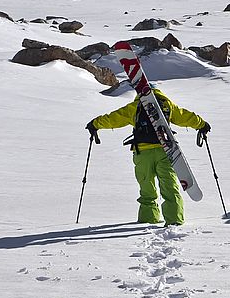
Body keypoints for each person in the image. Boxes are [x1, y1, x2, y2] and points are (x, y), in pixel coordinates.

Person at [86, 86, 210, 226]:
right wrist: (202, 124)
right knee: (169, 186)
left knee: (146, 187)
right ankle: (174, 219)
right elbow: (184, 116)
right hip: (165, 150)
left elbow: (115, 117)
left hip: (142, 153)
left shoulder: (135, 106)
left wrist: (96, 124)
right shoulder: (166, 104)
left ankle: (148, 218)